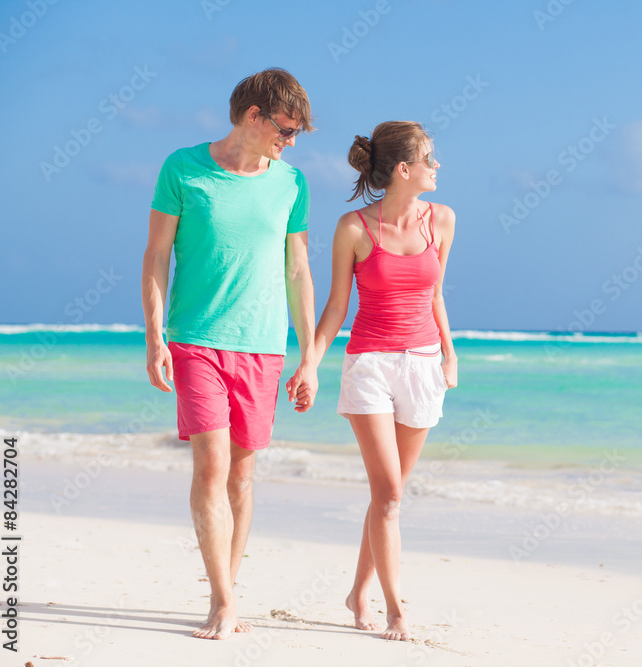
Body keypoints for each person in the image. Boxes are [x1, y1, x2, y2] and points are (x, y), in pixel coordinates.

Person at [141, 68, 319, 641]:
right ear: (254, 117)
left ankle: (228, 589)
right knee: (212, 464)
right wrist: (154, 336)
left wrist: (310, 356)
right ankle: (222, 601)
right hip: (196, 339)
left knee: (242, 474)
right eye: (286, 129)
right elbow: (156, 257)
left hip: (263, 345)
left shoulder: (292, 184)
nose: (290, 142)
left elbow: (298, 270)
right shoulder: (183, 169)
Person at [312, 121, 457, 641]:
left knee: (386, 497)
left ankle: (357, 592)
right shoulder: (354, 228)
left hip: (422, 366)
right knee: (391, 494)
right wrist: (309, 362)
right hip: (369, 363)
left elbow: (436, 295)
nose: (436, 166)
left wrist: (449, 353)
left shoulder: (441, 220)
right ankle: (396, 609)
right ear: (403, 169)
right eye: (429, 158)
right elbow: (335, 306)